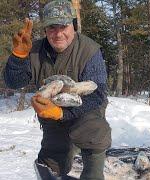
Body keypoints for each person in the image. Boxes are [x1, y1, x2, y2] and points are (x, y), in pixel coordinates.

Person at [4, 0, 111, 179]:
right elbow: (13, 82)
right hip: (52, 121)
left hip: (86, 116)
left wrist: (63, 113)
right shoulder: (34, 49)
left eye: (64, 26)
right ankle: (66, 152)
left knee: (93, 131)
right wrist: (19, 56)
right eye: (52, 28)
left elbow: (98, 94)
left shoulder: (89, 50)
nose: (58, 34)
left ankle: (93, 171)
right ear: (45, 29)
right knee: (49, 166)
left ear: (73, 26)